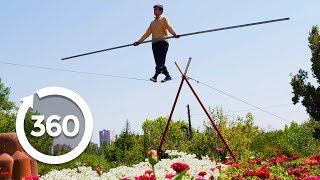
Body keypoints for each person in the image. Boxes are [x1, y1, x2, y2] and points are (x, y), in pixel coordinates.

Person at [134, 4, 180, 83]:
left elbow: (169, 27)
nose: (154, 11)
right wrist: (139, 42)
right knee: (158, 62)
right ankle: (167, 76)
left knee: (160, 62)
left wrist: (174, 34)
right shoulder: (152, 23)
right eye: (154, 9)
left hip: (163, 42)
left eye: (156, 9)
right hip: (154, 43)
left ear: (161, 10)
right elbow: (147, 34)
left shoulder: (164, 19)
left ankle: (156, 76)